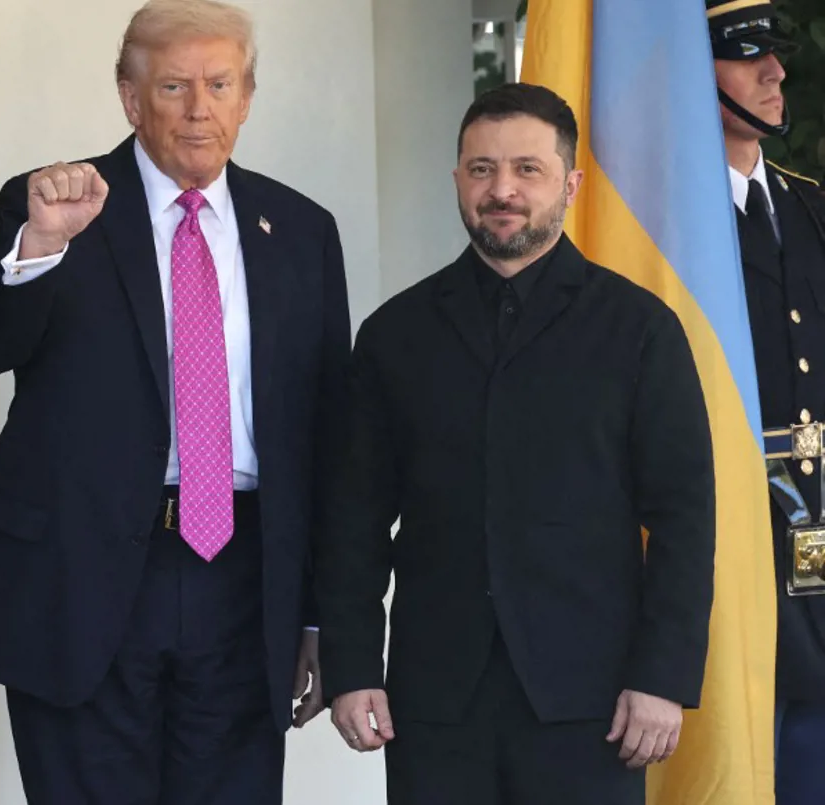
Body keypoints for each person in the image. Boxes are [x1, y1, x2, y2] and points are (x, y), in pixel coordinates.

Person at [0, 0, 352, 801]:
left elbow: (329, 436)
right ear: (130, 98)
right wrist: (42, 245)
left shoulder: (300, 230)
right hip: (84, 578)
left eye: (220, 85)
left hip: (245, 579)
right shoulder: (54, 205)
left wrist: (321, 615)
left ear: (247, 98)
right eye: (173, 87)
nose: (199, 110)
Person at [316, 83, 716, 805]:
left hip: (595, 703)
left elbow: (685, 518)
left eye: (527, 169)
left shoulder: (640, 330)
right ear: (457, 179)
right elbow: (354, 519)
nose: (502, 190)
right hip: (434, 703)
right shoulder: (395, 335)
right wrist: (352, 666)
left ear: (570, 184)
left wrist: (662, 676)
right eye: (482, 169)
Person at [707, 2, 825, 802]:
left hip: (817, 509)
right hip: (730, 512)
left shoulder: (810, 205)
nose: (775, 72)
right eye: (748, 54)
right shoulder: (669, 226)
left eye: (775, 54)